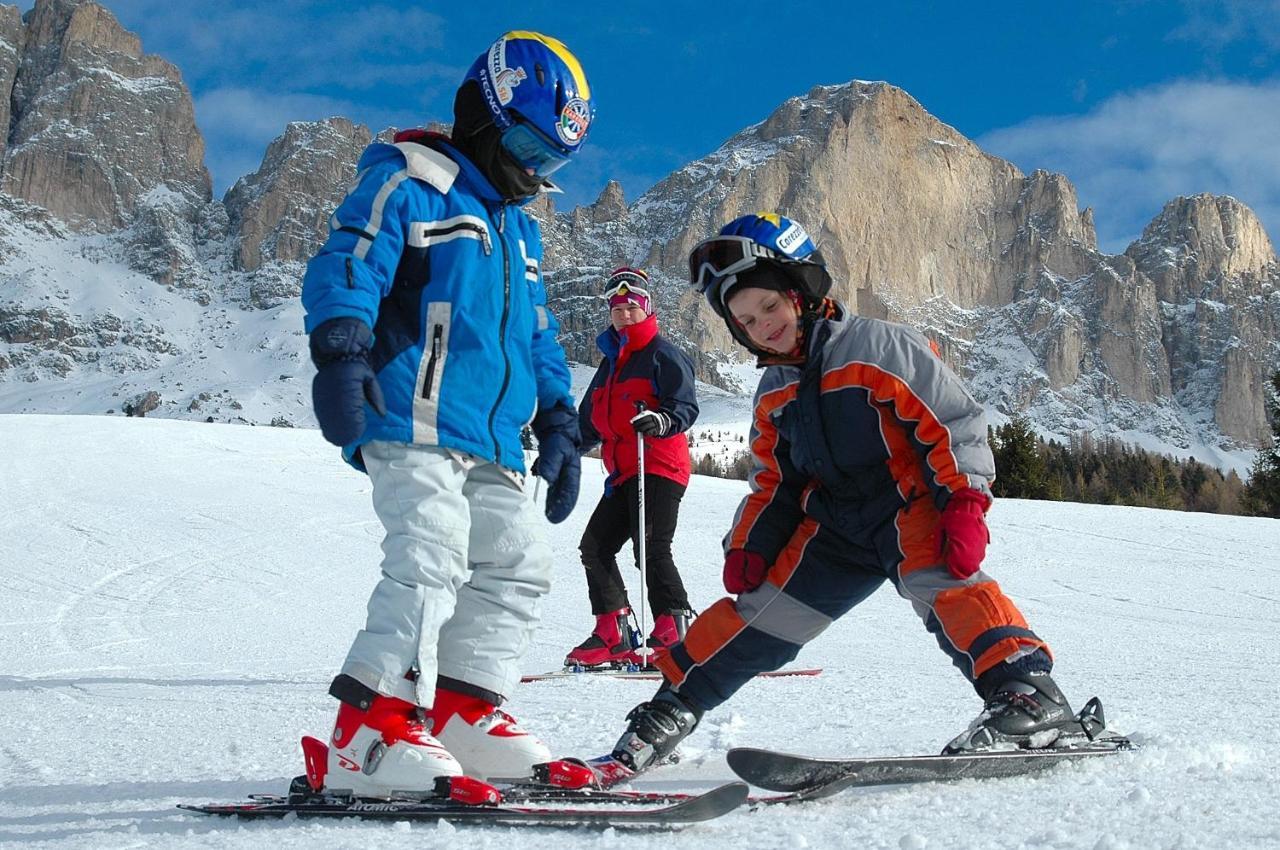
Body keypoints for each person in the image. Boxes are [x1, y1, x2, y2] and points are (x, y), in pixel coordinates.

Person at [594, 213, 1099, 780]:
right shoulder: (774, 391)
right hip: (833, 527)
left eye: (768, 307)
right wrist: (750, 544)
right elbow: (774, 482)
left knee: (944, 586)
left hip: (911, 504)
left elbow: (952, 422)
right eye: (744, 321)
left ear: (800, 293)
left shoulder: (879, 347)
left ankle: (1030, 696)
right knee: (761, 614)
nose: (761, 325)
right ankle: (671, 707)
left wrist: (964, 501)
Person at [299, 31, 594, 794]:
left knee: (517, 563)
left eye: (552, 160)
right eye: (529, 144)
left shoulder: (516, 225)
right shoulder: (413, 180)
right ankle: (367, 726)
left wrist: (560, 417)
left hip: (491, 436)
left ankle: (465, 710)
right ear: (486, 114)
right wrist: (342, 349)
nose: (535, 169)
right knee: (431, 556)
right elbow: (350, 258)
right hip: (411, 417)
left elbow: (536, 331)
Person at [566, 267, 700, 669]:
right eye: (616, 307)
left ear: (646, 308)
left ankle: (674, 629)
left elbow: (684, 406)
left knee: (652, 548)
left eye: (631, 306)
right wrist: (563, 451)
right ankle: (614, 631)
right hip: (623, 473)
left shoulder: (663, 354)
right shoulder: (609, 365)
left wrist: (660, 420)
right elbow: (589, 422)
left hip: (658, 464)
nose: (624, 313)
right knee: (596, 546)